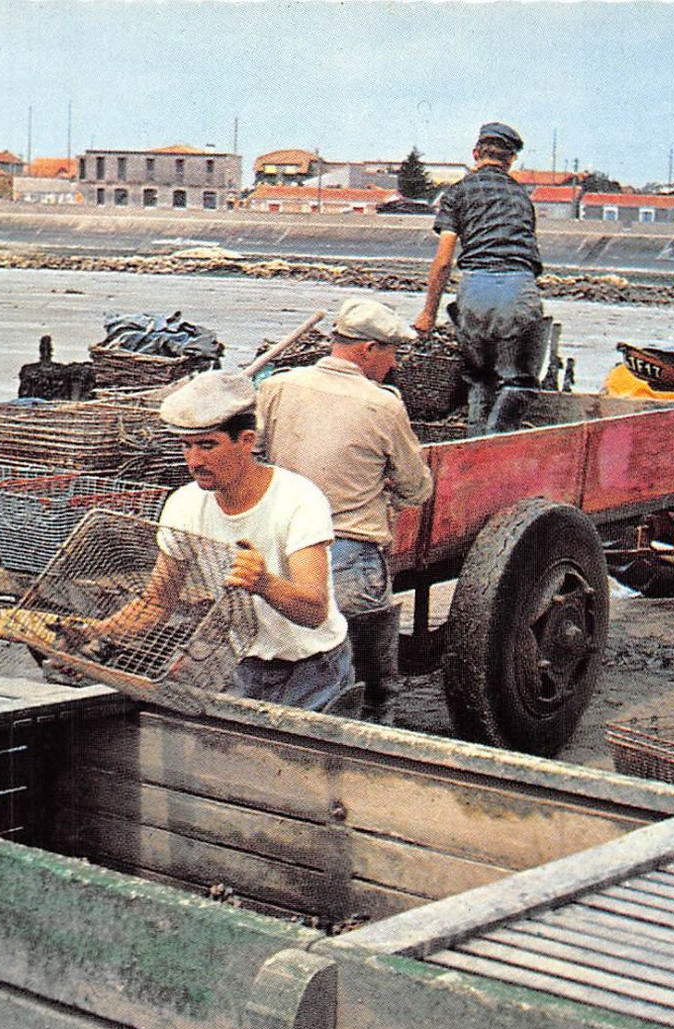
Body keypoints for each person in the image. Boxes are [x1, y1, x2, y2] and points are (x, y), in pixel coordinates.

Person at [85, 373, 354, 711]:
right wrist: (96, 634)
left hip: (314, 668)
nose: (195, 461)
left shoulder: (298, 499)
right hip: (247, 662)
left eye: (208, 445)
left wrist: (264, 583)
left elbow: (315, 611)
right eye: (187, 446)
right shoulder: (184, 505)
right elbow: (157, 602)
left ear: (246, 441)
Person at [258, 297, 433, 724]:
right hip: (350, 558)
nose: (393, 365)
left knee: (286, 672)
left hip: (282, 553)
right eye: (391, 353)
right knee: (369, 690)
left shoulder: (277, 386)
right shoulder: (383, 404)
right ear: (367, 350)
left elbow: (255, 457)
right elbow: (417, 487)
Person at [413, 121, 548, 435]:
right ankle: (497, 441)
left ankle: (475, 445)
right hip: (518, 286)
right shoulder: (522, 198)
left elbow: (444, 261)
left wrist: (428, 314)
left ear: (475, 153)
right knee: (519, 381)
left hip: (475, 288)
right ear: (511, 160)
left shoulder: (457, 193)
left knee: (479, 378)